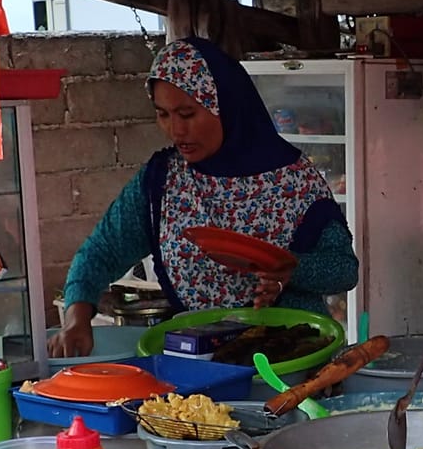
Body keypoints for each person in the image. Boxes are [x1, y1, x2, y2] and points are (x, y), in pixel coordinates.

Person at [54, 37, 359, 355]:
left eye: (187, 114)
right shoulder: (163, 182)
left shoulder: (294, 179)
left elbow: (344, 269)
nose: (176, 130)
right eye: (163, 114)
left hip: (292, 363)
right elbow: (99, 254)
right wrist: (76, 318)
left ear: (225, 105)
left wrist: (293, 267)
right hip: (199, 365)